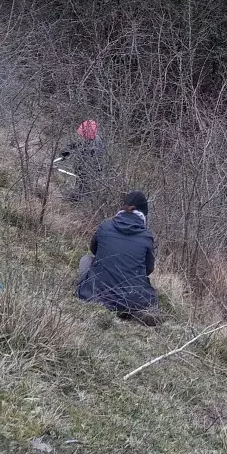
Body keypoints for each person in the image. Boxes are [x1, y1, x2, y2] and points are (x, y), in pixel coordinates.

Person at [76, 191, 160, 327]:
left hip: (95, 296)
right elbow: (148, 269)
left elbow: (94, 251)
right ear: (143, 214)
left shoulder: (105, 226)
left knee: (86, 260)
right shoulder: (146, 237)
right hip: (133, 302)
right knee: (147, 286)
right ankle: (133, 310)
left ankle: (92, 292)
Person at [60, 120, 105, 201]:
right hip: (83, 170)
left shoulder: (96, 145)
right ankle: (77, 196)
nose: (81, 137)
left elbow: (92, 159)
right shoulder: (87, 139)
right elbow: (76, 144)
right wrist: (67, 151)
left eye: (82, 135)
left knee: (84, 185)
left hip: (90, 171)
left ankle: (78, 198)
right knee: (80, 180)